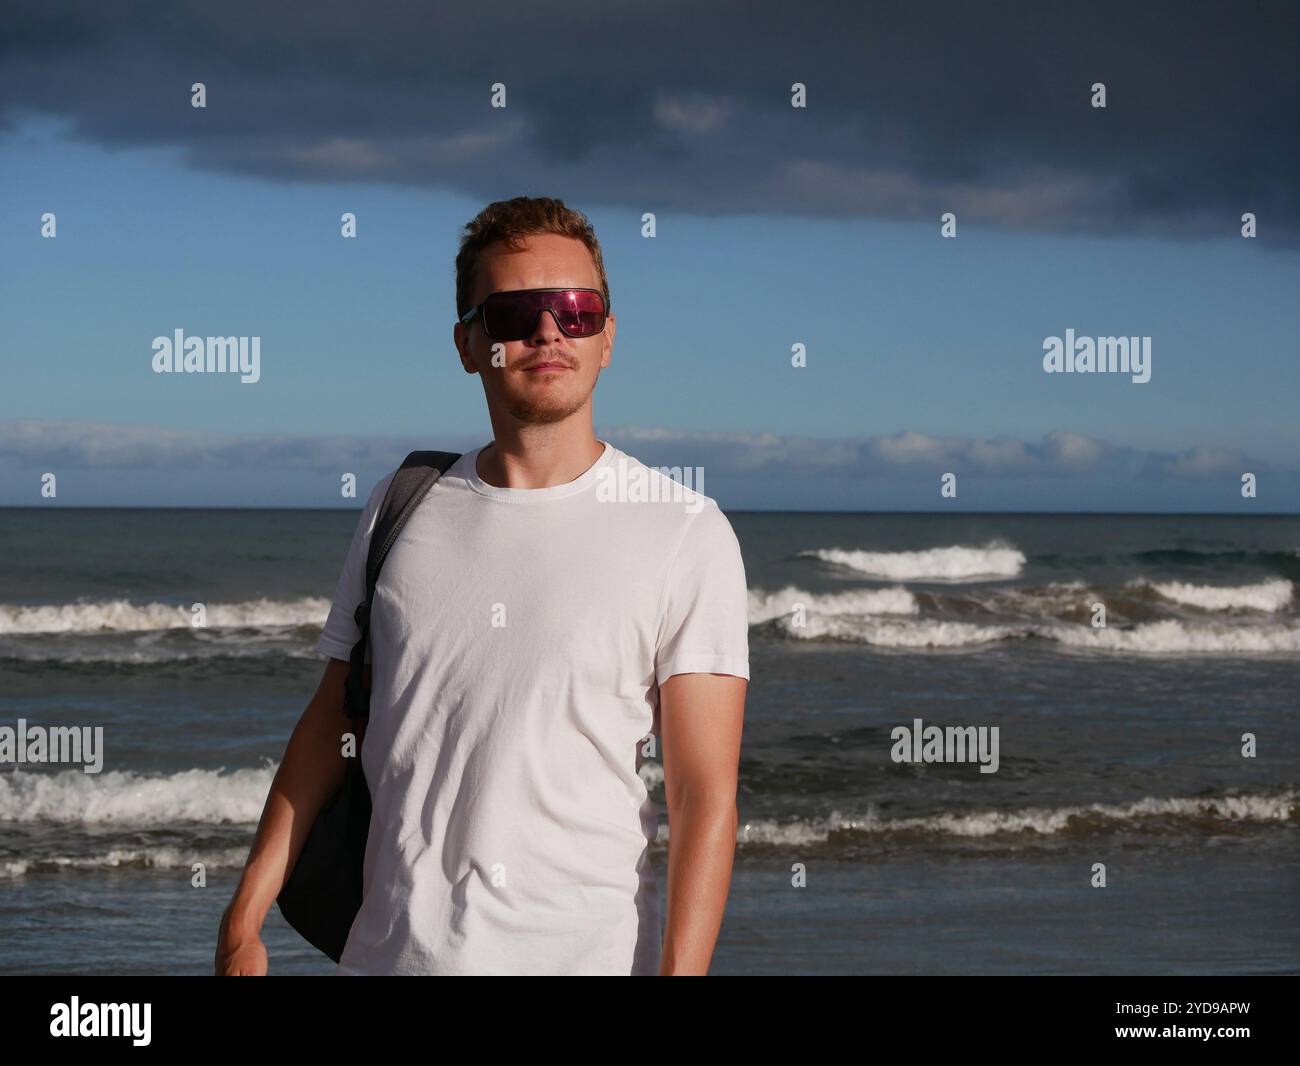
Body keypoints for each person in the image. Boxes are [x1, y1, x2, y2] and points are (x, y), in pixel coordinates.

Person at [215, 195, 749, 975]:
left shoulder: (684, 531)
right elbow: (333, 718)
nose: (547, 331)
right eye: (513, 314)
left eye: (576, 309)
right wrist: (243, 918)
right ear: (469, 344)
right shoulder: (403, 503)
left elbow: (704, 800)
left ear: (608, 338)